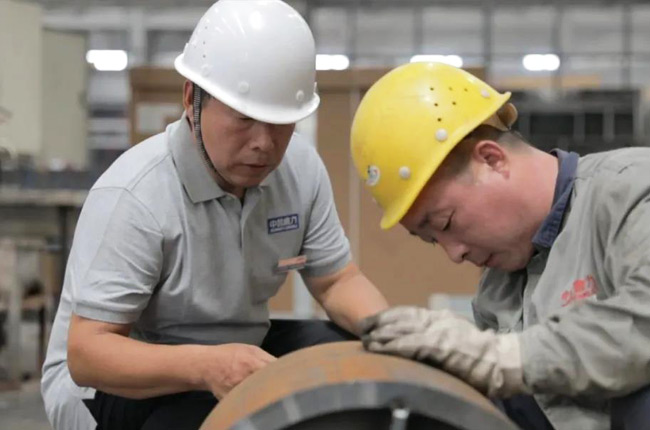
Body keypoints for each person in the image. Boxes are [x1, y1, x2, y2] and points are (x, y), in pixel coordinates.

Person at [41, 1, 388, 429]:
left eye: (281, 122)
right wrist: (206, 366)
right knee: (219, 418)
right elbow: (87, 354)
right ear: (192, 99)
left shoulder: (299, 170)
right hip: (110, 380)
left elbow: (337, 281)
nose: (264, 143)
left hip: (230, 348)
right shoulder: (136, 196)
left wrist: (391, 331)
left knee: (352, 357)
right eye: (244, 118)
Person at [350, 61, 650, 430]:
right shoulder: (497, 292)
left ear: (491, 160)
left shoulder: (632, 192)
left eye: (445, 223)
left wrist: (501, 357)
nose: (454, 254)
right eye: (432, 241)